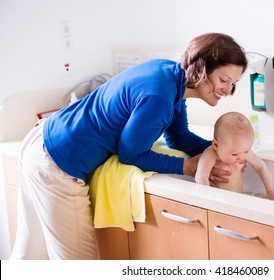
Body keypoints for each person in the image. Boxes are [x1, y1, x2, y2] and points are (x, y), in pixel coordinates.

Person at [10, 33, 248, 260]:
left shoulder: (170, 77)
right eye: (223, 80)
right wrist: (188, 166)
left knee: (30, 256)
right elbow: (130, 153)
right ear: (200, 70)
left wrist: (224, 151)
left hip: (42, 140)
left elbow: (179, 137)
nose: (228, 90)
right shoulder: (160, 97)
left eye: (233, 83)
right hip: (57, 163)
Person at [195, 111, 274, 200]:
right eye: (235, 154)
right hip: (219, 200)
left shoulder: (241, 150)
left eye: (246, 151)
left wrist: (271, 192)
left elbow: (261, 167)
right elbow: (201, 176)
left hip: (239, 198)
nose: (242, 157)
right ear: (216, 145)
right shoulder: (211, 154)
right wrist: (208, 196)